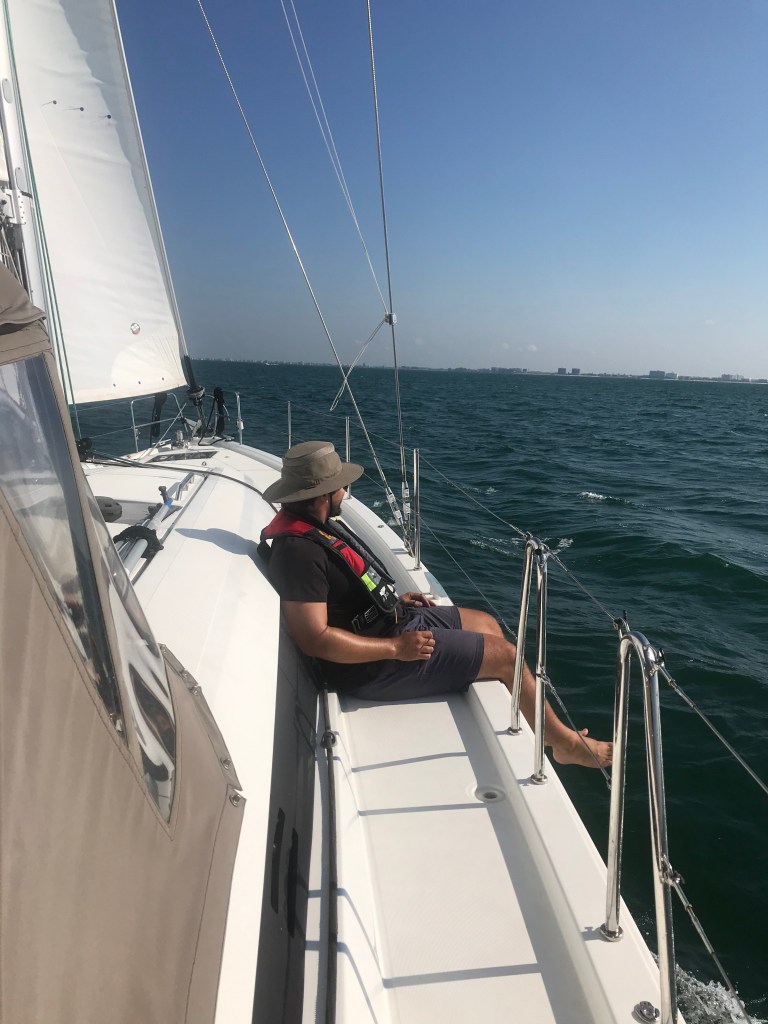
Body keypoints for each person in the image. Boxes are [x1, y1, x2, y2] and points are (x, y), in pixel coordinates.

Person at [261, 440, 611, 769]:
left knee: (487, 623)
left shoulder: (316, 525)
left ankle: (529, 717)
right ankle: (562, 743)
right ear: (322, 494)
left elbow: (342, 594)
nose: (345, 491)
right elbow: (314, 639)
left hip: (392, 621)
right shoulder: (299, 553)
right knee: (508, 658)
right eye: (340, 485)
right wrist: (396, 648)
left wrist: (391, 601)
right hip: (369, 664)